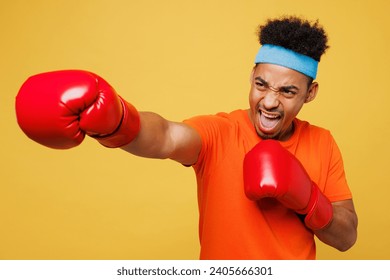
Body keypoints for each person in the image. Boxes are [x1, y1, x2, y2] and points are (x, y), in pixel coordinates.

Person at [15, 15, 358, 259]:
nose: (269, 101)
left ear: (309, 94)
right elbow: (165, 136)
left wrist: (307, 197)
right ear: (251, 76)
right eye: (261, 85)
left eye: (287, 91)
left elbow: (347, 237)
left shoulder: (322, 142)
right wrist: (116, 119)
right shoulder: (221, 132)